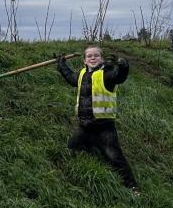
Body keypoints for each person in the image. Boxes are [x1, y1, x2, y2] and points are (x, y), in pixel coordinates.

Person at [58, 46, 139, 191]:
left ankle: (132, 186)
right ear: (84, 60)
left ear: (101, 59)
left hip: (104, 127)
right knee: (71, 149)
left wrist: (123, 66)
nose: (92, 58)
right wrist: (61, 64)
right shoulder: (81, 74)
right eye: (89, 56)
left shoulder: (106, 74)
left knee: (114, 156)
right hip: (84, 125)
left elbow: (119, 77)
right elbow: (70, 78)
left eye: (96, 55)